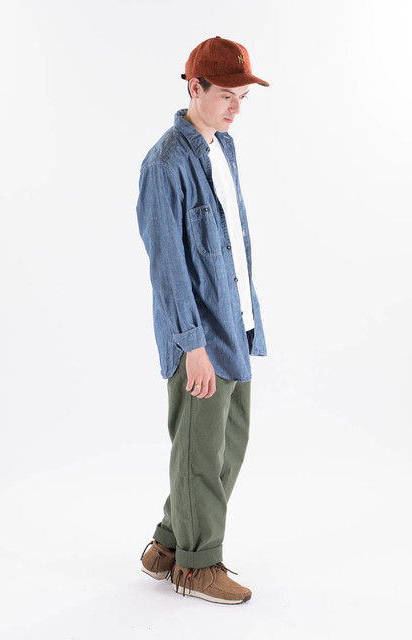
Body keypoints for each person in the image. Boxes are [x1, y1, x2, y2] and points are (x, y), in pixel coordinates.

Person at [136, 35, 269, 605]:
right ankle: (197, 565)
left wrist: (247, 319)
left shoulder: (222, 148)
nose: (236, 107)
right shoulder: (165, 163)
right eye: (226, 96)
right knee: (199, 453)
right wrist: (192, 345)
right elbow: (167, 267)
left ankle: (168, 545)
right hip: (198, 337)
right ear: (195, 87)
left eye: (243, 97)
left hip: (233, 324)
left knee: (225, 446)